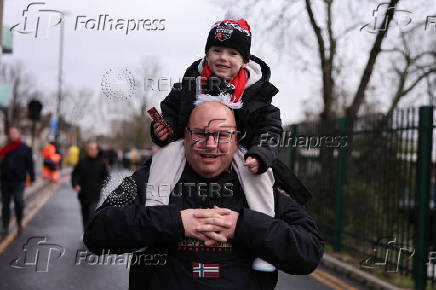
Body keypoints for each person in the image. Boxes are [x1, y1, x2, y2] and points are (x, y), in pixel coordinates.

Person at [84, 102, 324, 290]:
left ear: (236, 139)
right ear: (185, 137)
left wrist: (242, 226)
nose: (210, 144)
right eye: (200, 133)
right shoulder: (154, 177)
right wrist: (175, 222)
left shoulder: (258, 184)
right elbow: (97, 232)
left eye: (222, 135)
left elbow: (309, 251)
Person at [148, 13, 282, 271]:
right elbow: (170, 113)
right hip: (193, 144)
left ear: (245, 60)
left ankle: (264, 246)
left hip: (241, 148)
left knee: (260, 176)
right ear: (207, 54)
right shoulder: (189, 84)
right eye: (217, 50)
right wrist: (162, 130)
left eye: (232, 53)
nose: (223, 57)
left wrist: (261, 153)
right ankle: (152, 222)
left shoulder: (258, 92)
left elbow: (270, 127)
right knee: (163, 158)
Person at [0, 126, 35, 234]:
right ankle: (5, 226)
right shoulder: (4, 147)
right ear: (9, 135)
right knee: (5, 205)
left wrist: (32, 176)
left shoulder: (25, 148)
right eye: (11, 133)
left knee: (18, 202)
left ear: (18, 134)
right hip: (5, 181)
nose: (13, 135)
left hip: (19, 181)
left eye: (14, 132)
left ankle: (19, 222)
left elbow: (30, 164)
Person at [72, 142, 109, 231]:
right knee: (85, 214)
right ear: (87, 150)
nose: (91, 151)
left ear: (97, 151)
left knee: (91, 213)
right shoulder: (81, 162)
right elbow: (75, 174)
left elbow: (106, 177)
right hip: (83, 194)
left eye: (93, 149)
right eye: (90, 149)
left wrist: (101, 186)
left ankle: (90, 233)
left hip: (95, 194)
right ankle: (85, 232)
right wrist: (76, 185)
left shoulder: (101, 163)